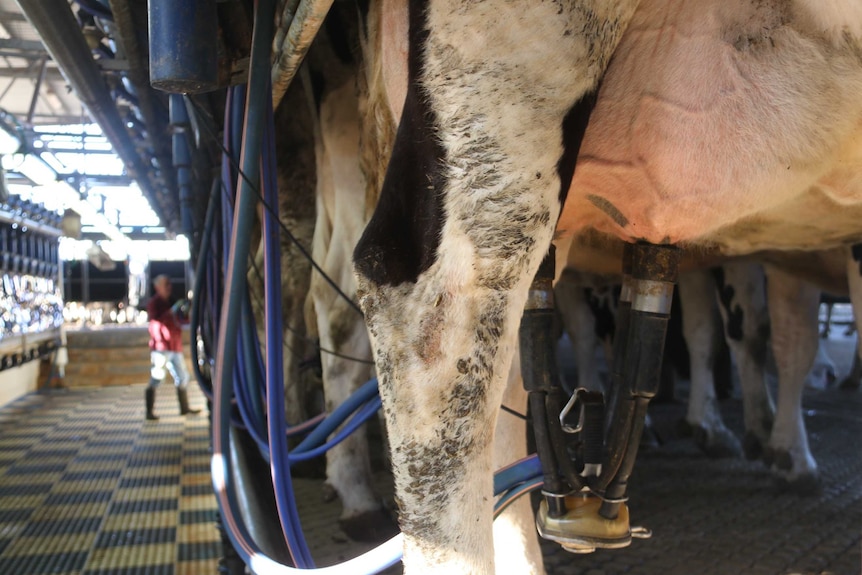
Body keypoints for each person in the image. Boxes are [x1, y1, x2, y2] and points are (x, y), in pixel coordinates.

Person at [145, 274, 199, 420]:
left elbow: (183, 319)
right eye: (165, 285)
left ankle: (184, 408)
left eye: (169, 284)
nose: (169, 287)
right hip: (161, 347)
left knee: (183, 377)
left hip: (175, 346)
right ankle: (149, 412)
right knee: (157, 376)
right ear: (157, 287)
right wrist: (172, 311)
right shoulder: (154, 303)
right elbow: (157, 320)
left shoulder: (173, 300)